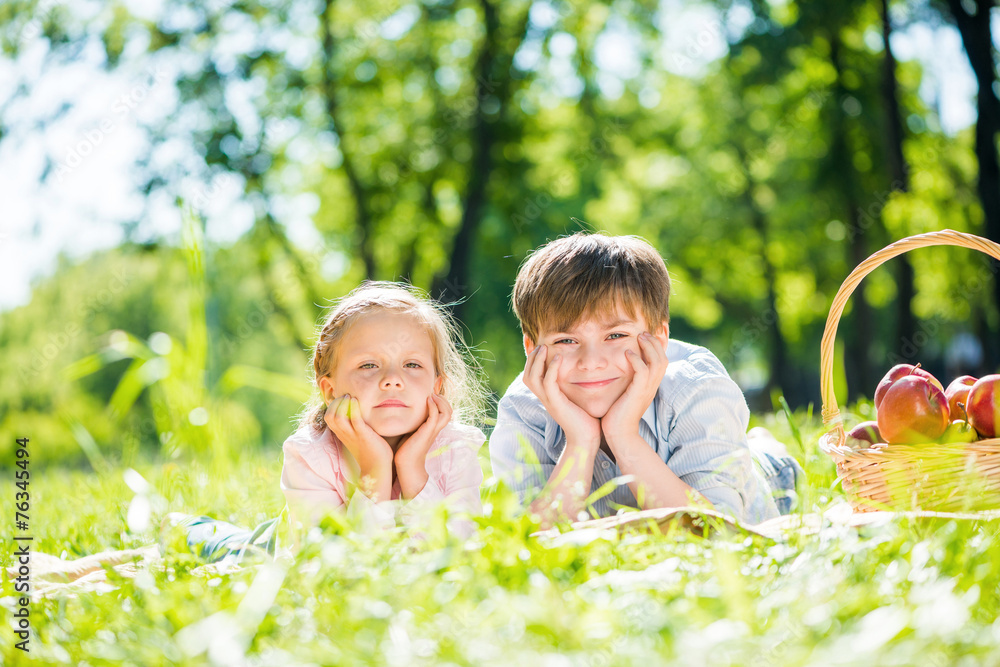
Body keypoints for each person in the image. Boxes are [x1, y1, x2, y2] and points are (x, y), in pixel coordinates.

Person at [488, 232, 800, 528]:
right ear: (531, 349)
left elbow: (711, 533)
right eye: (566, 341)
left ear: (659, 338)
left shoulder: (696, 387)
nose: (592, 362)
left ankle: (767, 455)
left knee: (768, 471)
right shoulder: (523, 409)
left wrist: (623, 435)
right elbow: (529, 543)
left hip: (762, 494)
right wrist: (580, 441)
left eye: (616, 335)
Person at [176, 281, 489, 562]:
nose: (393, 379)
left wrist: (412, 469)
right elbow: (336, 565)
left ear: (438, 387)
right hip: (278, 546)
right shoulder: (310, 455)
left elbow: (457, 552)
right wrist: (375, 469)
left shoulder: (456, 451)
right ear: (330, 390)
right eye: (369, 365)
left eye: (412, 364)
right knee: (231, 548)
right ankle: (185, 527)